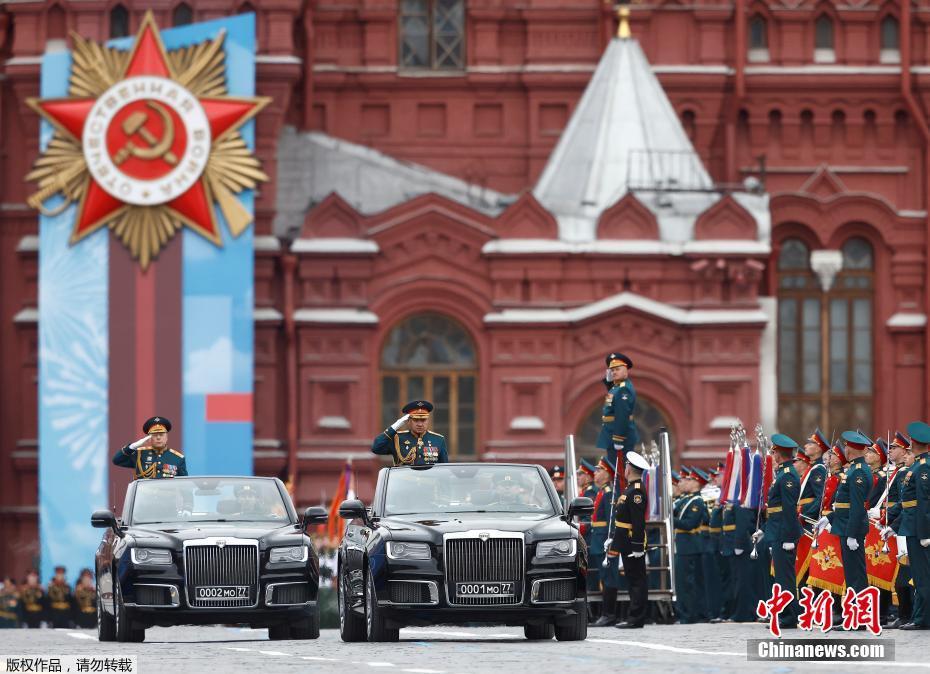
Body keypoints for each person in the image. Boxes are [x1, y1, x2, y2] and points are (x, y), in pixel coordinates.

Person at [753, 434, 802, 630]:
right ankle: (785, 614)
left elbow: (789, 509)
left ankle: (789, 617)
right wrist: (764, 530)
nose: (772, 455)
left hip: (784, 533)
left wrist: (789, 537)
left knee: (785, 577)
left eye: (773, 452)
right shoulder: (782, 473)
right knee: (781, 577)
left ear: (778, 454)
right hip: (777, 530)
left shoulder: (788, 475)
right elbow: (776, 510)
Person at [821, 431, 872, 599]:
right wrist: (828, 518)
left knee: (856, 576)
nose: (845, 450)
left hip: (851, 529)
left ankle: (859, 612)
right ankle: (854, 610)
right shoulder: (854, 469)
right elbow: (844, 504)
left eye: (847, 447)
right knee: (851, 575)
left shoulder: (858, 471)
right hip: (845, 524)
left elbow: (857, 507)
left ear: (850, 449)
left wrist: (852, 534)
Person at [608, 451, 650, 628]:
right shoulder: (630, 488)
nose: (624, 469)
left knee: (637, 581)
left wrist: (638, 546)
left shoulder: (636, 491)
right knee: (632, 580)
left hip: (632, 542)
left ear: (629, 469)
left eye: (626, 466)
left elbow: (638, 522)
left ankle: (636, 618)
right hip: (625, 540)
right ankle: (634, 616)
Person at [897, 421, 930, 630]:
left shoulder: (923, 466)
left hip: (919, 529)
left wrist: (925, 532)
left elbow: (924, 501)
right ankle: (920, 616)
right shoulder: (918, 464)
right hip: (913, 526)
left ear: (913, 442)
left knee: (922, 576)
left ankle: (922, 619)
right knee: (919, 576)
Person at [673, 468, 707, 624]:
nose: (684, 482)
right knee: (682, 583)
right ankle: (683, 613)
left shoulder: (697, 501)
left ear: (696, 483)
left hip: (689, 546)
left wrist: (671, 519)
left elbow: (689, 524)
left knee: (688, 583)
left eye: (688, 480)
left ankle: (689, 615)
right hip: (682, 545)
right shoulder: (687, 500)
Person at [595, 353, 639, 471]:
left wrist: (618, 438)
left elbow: (622, 415)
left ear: (626, 371)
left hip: (620, 436)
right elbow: (613, 394)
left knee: (619, 471)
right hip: (612, 433)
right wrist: (608, 381)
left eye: (617, 369)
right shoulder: (618, 387)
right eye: (612, 370)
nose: (614, 372)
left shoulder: (623, 389)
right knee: (614, 469)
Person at [372, 400, 448, 466]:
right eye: (416, 420)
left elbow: (444, 467)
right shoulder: (397, 438)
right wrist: (395, 426)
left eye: (423, 420)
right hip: (405, 478)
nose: (420, 424)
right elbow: (376, 448)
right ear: (408, 421)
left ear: (428, 421)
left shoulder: (438, 439)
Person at [590, 457, 618, 626]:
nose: (595, 473)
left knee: (608, 578)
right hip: (598, 540)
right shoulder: (601, 492)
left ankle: (609, 614)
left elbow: (611, 520)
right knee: (603, 578)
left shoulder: (608, 494)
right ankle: (605, 613)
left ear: (607, 474)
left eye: (599, 470)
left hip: (604, 541)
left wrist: (611, 539)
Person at [112, 416, 187, 479]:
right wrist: (132, 446)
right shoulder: (139, 454)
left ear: (166, 437)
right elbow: (117, 460)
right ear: (149, 438)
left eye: (161, 434)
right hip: (145, 492)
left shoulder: (178, 458)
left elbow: (184, 483)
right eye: (154, 435)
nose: (158, 438)